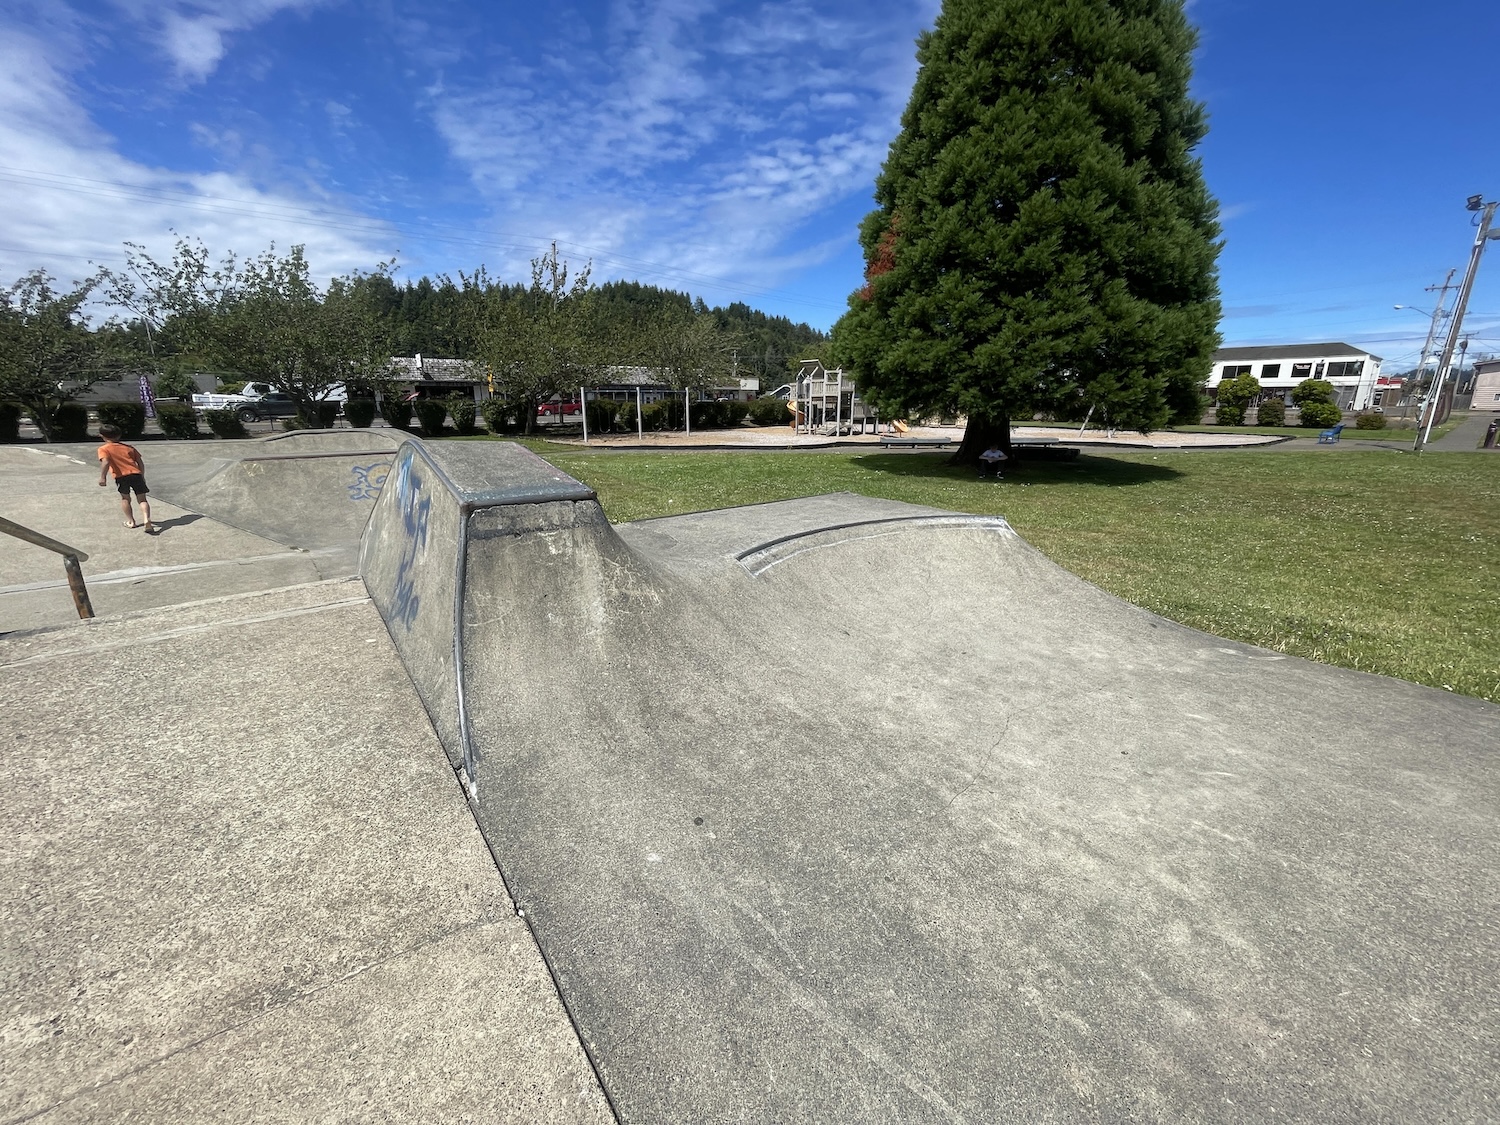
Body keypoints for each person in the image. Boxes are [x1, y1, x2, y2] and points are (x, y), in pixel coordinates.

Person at [97, 424, 156, 533]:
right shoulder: (129, 448)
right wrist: (141, 475)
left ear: (102, 436)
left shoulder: (104, 449)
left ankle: (131, 521)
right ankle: (146, 519)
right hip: (136, 474)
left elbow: (106, 462)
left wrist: (102, 477)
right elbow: (140, 462)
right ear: (119, 435)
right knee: (142, 499)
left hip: (121, 477)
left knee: (125, 499)